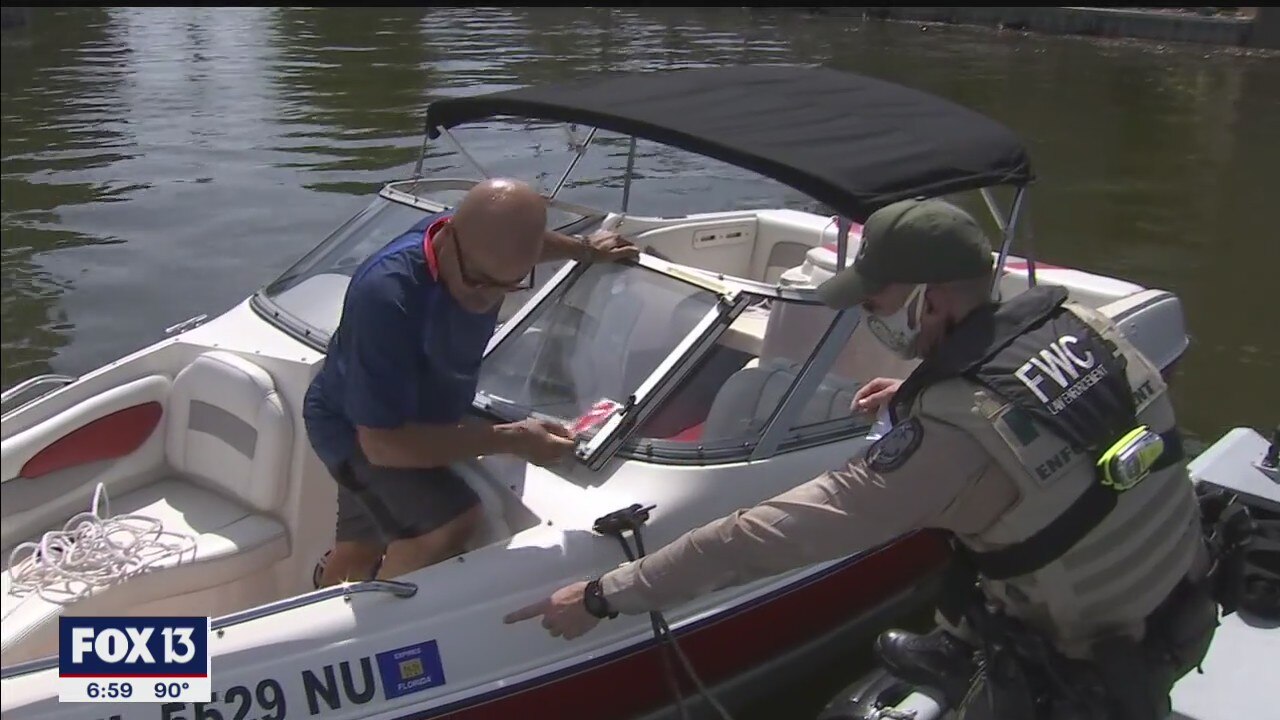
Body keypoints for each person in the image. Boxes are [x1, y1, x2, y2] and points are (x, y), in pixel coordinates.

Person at [503, 198, 1219, 719]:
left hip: (1089, 663)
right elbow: (1043, 415)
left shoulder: (952, 439)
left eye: (877, 300)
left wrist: (603, 595)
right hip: (1175, 594)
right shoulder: (1082, 328)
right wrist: (920, 383)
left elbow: (767, 534)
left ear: (929, 299)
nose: (869, 315)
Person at [304, 177, 639, 587]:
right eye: (477, 280)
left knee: (362, 542)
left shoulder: (485, 243)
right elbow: (382, 444)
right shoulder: (387, 297)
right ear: (447, 237)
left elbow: (523, 241)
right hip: (356, 428)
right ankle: (372, 629)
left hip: (408, 413)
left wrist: (585, 250)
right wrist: (512, 439)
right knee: (446, 523)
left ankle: (328, 594)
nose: (483, 299)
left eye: (505, 285)